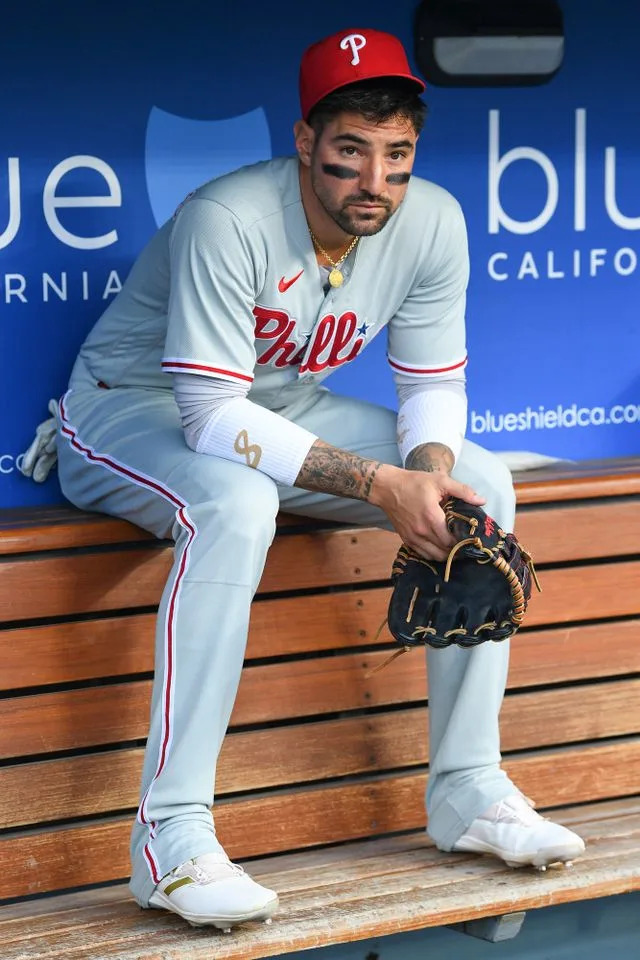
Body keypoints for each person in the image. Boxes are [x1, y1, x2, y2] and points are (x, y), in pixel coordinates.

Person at [33, 27, 585, 930]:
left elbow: (433, 386)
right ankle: (168, 838)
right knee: (237, 498)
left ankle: (468, 788)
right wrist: (383, 487)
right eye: (350, 153)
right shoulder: (230, 216)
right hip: (129, 410)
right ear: (305, 142)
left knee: (479, 479)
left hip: (279, 406)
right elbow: (211, 417)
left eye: (396, 155)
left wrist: (430, 479)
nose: (375, 181)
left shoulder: (433, 219)